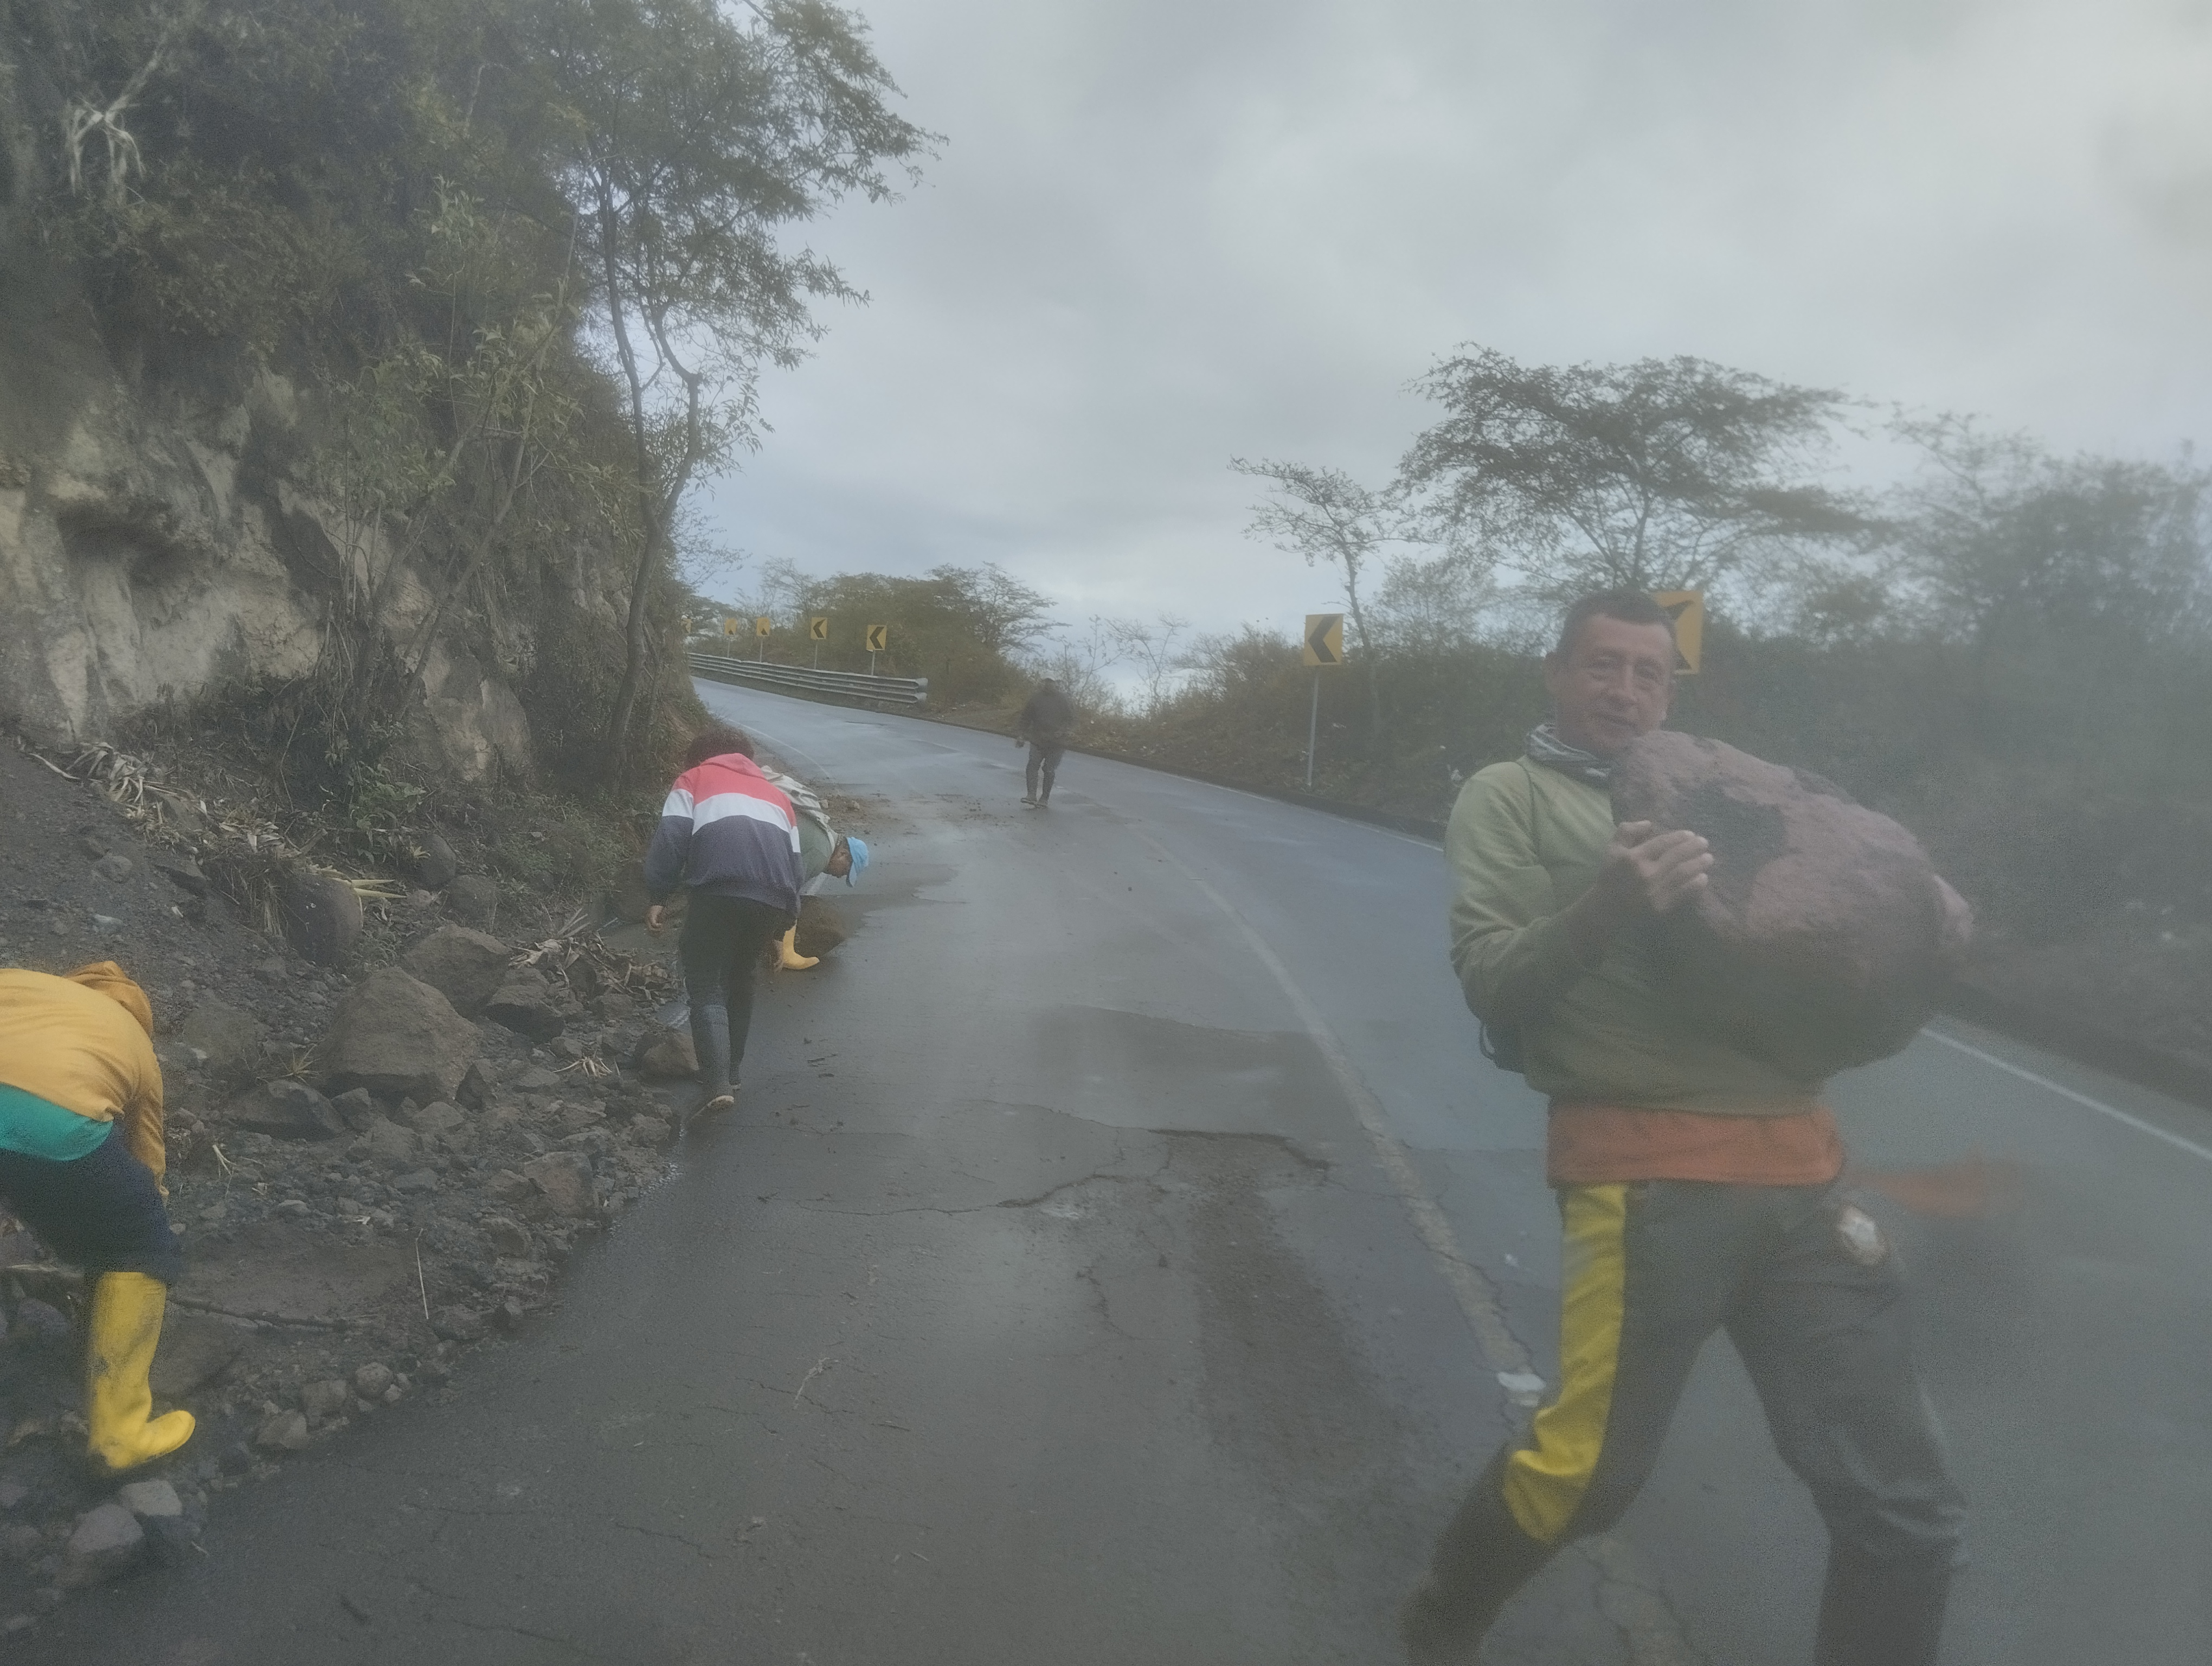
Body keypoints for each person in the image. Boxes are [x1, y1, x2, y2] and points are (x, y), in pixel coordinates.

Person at [1405, 589, 1964, 1666]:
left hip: (1806, 1173)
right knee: (1587, 1476)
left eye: (1648, 672)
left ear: (1671, 691)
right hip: (1645, 1178)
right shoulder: (1510, 795)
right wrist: (1607, 903)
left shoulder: (1721, 795)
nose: (1624, 690)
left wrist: (1907, 920)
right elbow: (1491, 981)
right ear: (1556, 673)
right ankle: (1446, 1609)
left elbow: (1820, 935)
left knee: (1905, 1503)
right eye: (1601, 665)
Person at [0, 961, 195, 1473]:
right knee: (138, 1242)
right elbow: (146, 1158)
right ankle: (120, 1436)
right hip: (51, 1122)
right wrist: (137, 1230)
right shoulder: (134, 1043)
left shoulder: (19, 984)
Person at [645, 725, 805, 1111]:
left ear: (700, 757)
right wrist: (782, 925)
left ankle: (716, 1083)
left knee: (706, 984)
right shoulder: (779, 798)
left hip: (718, 891)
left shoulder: (694, 779)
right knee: (742, 980)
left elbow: (671, 840)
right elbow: (795, 867)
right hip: (772, 899)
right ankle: (732, 1073)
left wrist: (658, 895)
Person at [761, 766, 870, 971]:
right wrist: (780, 941)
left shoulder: (823, 833)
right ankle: (786, 952)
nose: (840, 876)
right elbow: (787, 892)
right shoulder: (820, 853)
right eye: (846, 871)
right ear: (843, 854)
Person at [1014, 677, 1076, 808]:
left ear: (1055, 683)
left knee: (1049, 770)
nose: (1048, 684)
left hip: (1057, 743)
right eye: (1047, 681)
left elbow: (1071, 719)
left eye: (1051, 682)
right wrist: (1021, 735)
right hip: (1038, 740)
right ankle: (1031, 795)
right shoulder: (1036, 698)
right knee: (1032, 765)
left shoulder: (1063, 699)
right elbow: (1025, 718)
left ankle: (1044, 798)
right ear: (1044, 682)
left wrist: (1063, 731)